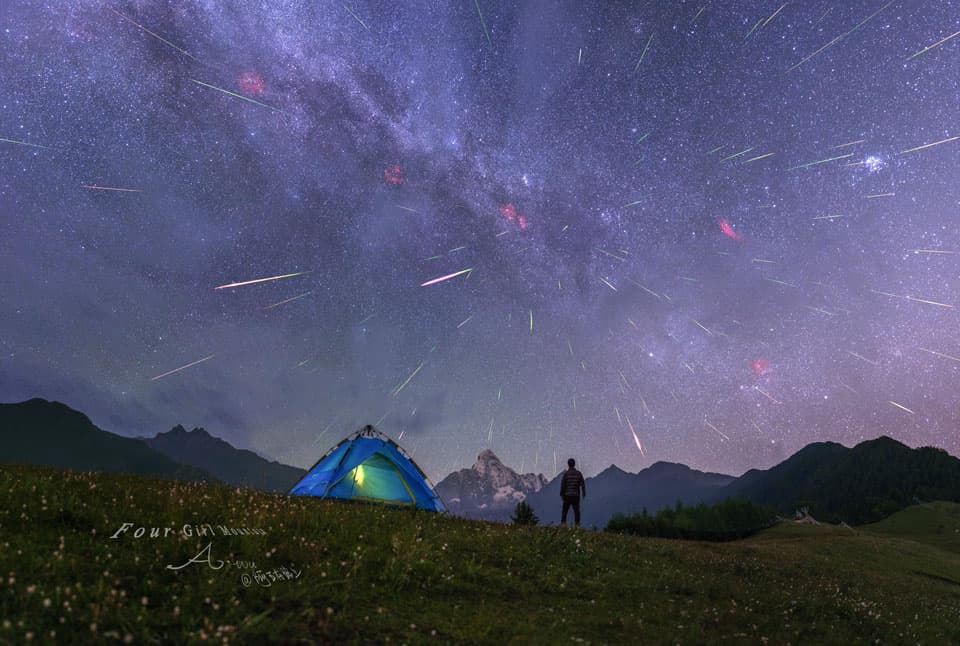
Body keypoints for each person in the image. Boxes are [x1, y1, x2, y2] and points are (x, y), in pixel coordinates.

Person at [560, 458, 586, 527]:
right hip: (576, 496)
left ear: (568, 464)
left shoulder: (566, 474)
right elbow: (582, 484)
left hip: (567, 496)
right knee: (576, 512)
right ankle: (577, 525)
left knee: (564, 511)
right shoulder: (578, 474)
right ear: (574, 464)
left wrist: (561, 494)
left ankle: (563, 525)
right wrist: (583, 493)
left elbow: (563, 485)